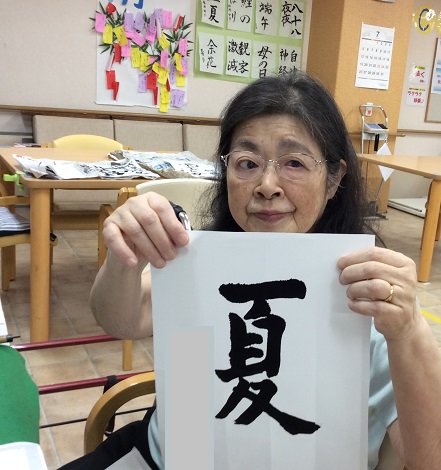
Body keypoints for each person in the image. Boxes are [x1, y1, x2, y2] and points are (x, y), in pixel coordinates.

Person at [67, 71, 441, 469]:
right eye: (247, 163)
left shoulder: (367, 293)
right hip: (171, 456)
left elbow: (429, 458)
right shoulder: (201, 264)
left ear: (334, 179)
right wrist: (124, 260)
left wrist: (409, 330)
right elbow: (121, 320)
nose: (267, 184)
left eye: (294, 163)